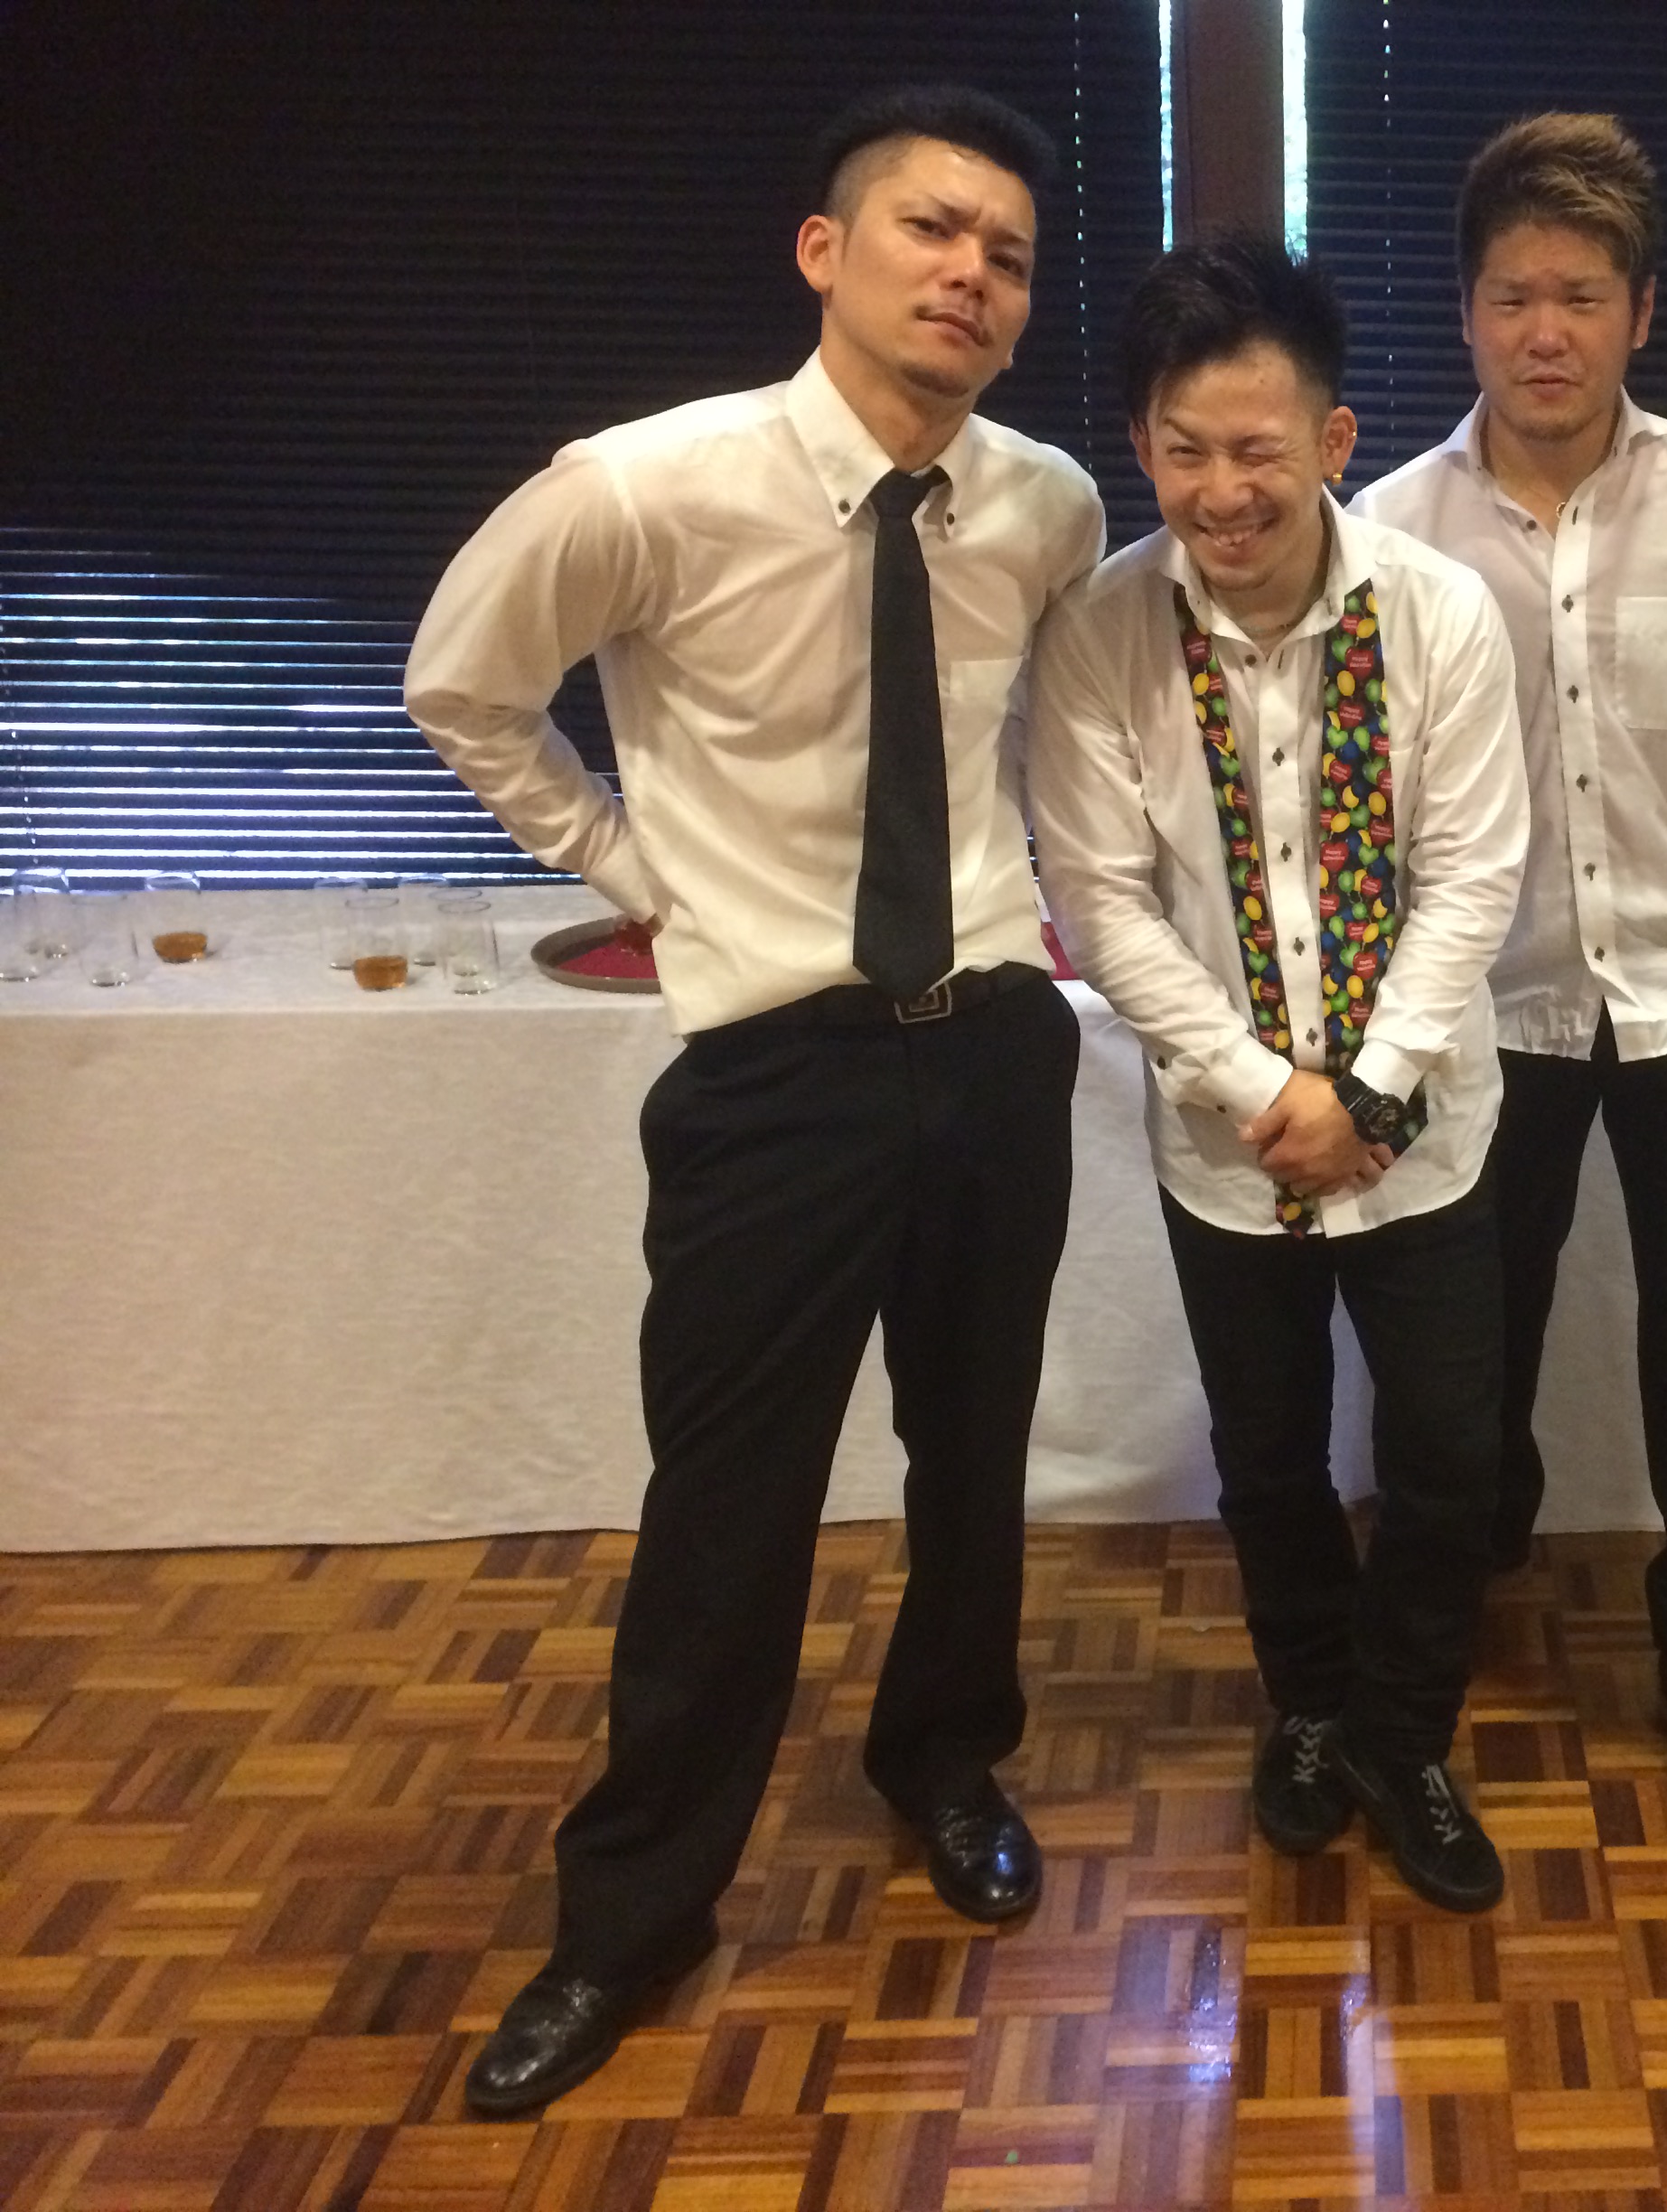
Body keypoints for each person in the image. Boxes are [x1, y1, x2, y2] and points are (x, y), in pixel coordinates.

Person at [404, 84, 1104, 2114]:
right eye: (933, 230)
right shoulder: (645, 487)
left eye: (1009, 256)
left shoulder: (1048, 506)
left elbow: (1070, 731)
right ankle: (629, 1916)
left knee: (975, 1453)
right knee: (731, 1500)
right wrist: (631, 869)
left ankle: (944, 1760)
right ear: (826, 250)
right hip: (774, 1070)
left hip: (997, 1036)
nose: (972, 276)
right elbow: (464, 683)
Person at [1026, 237, 1528, 1914]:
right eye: (1183, 449)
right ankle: (1313, 1708)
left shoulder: (1436, 612)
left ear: (1332, 438)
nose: (1221, 491)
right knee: (1267, 1456)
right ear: (1140, 445)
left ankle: (1404, 1734)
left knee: (1452, 1456)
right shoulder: (1102, 632)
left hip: (1423, 1135)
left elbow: (1472, 874)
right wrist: (1265, 1090)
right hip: (1226, 1144)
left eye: (1257, 448)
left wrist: (1366, 1092)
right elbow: (1100, 899)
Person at [1352, 115, 1667, 1821]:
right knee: (1466, 1343)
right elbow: (1368, 785)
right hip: (1486, 1011)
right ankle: (1463, 1582)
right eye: (1512, 297)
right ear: (1466, 313)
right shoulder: (1392, 526)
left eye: (1579, 297)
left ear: (1642, 310)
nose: (1544, 333)